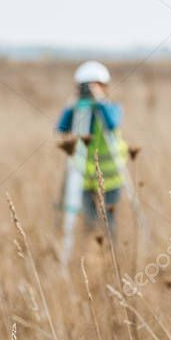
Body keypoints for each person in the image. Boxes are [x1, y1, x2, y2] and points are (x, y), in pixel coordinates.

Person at [57, 61, 131, 237]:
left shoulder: (112, 108)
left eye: (94, 86)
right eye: (85, 86)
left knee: (108, 224)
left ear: (104, 87)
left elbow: (112, 123)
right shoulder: (78, 110)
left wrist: (100, 100)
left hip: (111, 180)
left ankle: (109, 256)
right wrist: (71, 104)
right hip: (85, 180)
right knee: (90, 223)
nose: (89, 90)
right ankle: (92, 255)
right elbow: (61, 128)